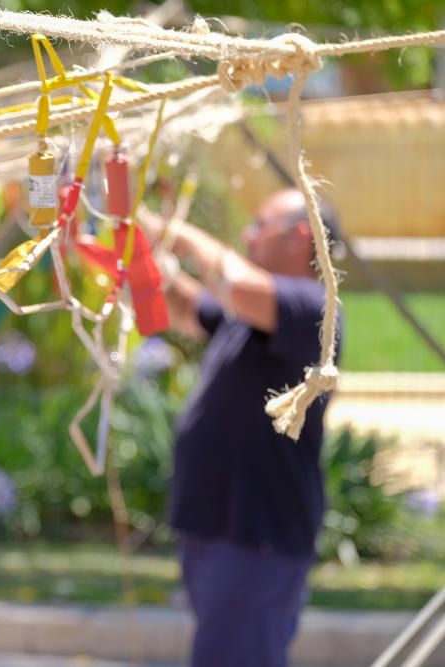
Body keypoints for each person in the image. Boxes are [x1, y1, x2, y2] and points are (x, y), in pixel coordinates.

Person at [142, 188, 342, 667]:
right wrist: (136, 252)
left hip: (258, 534)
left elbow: (231, 281)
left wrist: (174, 234)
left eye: (258, 225)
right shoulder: (254, 313)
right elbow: (189, 307)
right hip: (222, 528)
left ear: (299, 237)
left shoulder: (313, 308)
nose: (247, 236)